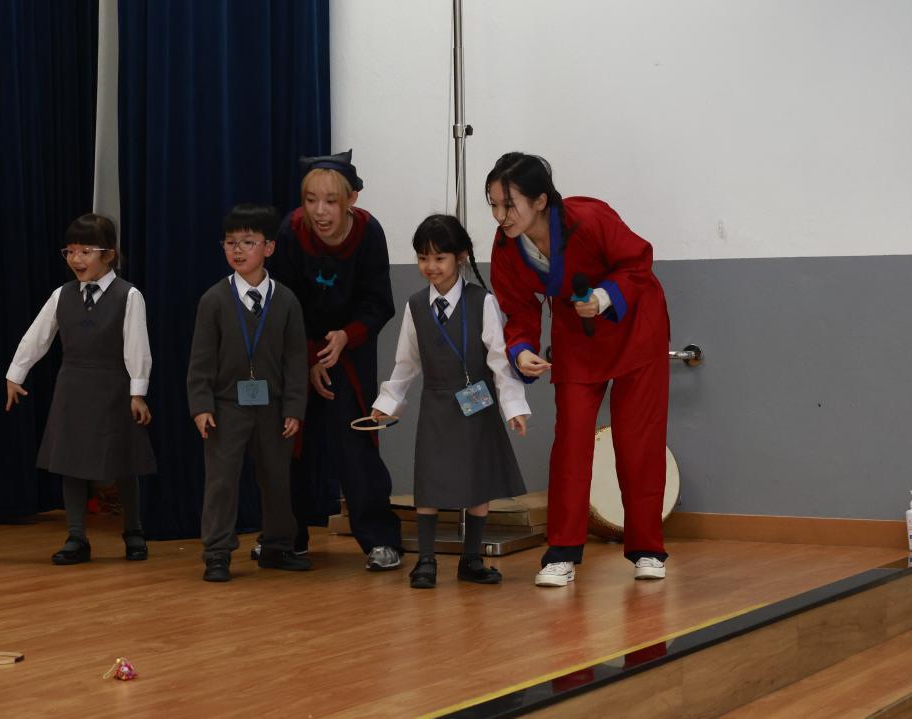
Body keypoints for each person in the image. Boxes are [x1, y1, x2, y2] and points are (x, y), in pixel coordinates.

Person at [486, 152, 671, 587]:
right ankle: (562, 552)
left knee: (637, 440)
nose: (500, 216)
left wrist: (605, 297)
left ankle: (647, 549)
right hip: (577, 333)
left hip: (636, 326)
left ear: (540, 201)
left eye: (509, 204)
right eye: (493, 205)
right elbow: (518, 307)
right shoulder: (506, 246)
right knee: (570, 441)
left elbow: (638, 261)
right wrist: (521, 349)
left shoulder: (589, 220)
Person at [263, 150, 404, 571]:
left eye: (330, 201)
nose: (319, 211)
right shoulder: (291, 233)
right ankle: (288, 538)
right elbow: (284, 303)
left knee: (355, 443)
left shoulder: (369, 233)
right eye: (310, 200)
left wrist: (346, 337)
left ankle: (380, 541)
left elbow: (379, 302)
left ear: (351, 200)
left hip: (350, 349)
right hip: (299, 348)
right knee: (292, 441)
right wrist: (309, 357)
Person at [371, 214, 529, 588]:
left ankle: (471, 559)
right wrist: (387, 402)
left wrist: (514, 407)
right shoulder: (415, 305)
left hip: (477, 405)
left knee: (478, 483)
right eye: (423, 258)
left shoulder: (482, 302)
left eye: (439, 258)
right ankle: (426, 560)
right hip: (437, 405)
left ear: (460, 257)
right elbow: (406, 362)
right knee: (429, 482)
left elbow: (499, 360)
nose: (431, 266)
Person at [6, 213, 155, 565]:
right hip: (72, 386)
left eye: (85, 251)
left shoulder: (128, 295)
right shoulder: (62, 295)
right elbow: (37, 335)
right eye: (70, 251)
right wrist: (16, 374)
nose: (76, 259)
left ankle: (133, 531)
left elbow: (137, 345)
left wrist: (137, 392)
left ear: (108, 255)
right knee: (69, 461)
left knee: (123, 460)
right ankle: (76, 536)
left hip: (113, 386)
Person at [187, 203, 311, 582]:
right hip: (226, 407)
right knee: (221, 480)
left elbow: (296, 361)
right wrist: (201, 405)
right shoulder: (214, 300)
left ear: (269, 247)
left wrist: (294, 408)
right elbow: (201, 361)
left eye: (248, 242)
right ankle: (217, 552)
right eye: (230, 243)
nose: (238, 250)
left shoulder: (287, 300)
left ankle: (277, 545)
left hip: (273, 407)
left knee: (276, 478)